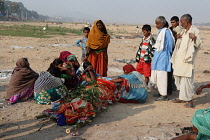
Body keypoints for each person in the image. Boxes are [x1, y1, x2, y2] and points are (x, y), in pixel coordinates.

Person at [171, 14, 202, 108]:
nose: (180, 23)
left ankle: (190, 100)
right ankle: (181, 97)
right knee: (177, 76)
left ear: (187, 21)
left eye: (181, 22)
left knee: (187, 80)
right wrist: (178, 38)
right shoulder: (184, 32)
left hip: (188, 60)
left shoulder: (195, 30)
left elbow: (199, 44)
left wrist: (194, 38)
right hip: (179, 59)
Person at [150, 16, 175, 101]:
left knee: (162, 76)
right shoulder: (161, 32)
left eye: (158, 23)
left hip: (163, 56)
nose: (156, 25)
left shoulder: (166, 32)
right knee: (157, 75)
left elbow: (171, 43)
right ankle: (160, 92)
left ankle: (164, 95)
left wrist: (166, 52)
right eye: (156, 23)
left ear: (163, 23)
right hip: (158, 56)